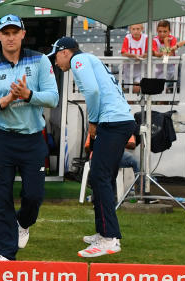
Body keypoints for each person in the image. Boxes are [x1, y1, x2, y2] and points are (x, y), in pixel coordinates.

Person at [0, 15, 59, 261]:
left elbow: (53, 98)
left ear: (23, 33)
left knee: (34, 195)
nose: (10, 37)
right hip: (2, 139)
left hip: (33, 139)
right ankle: (4, 252)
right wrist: (5, 101)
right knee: (1, 197)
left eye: (14, 32)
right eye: (5, 33)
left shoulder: (40, 60)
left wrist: (28, 94)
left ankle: (23, 222)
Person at [49, 37, 136, 257]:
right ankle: (103, 232)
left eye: (56, 57)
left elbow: (94, 93)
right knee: (101, 177)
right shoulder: (89, 59)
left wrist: (93, 121)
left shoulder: (78, 61)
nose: (56, 63)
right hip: (119, 120)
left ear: (66, 52)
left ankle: (109, 238)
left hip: (112, 122)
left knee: (100, 176)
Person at [120, 22, 148, 89]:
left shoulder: (145, 37)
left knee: (136, 88)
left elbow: (148, 52)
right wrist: (134, 56)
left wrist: (144, 55)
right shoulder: (127, 37)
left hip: (140, 69)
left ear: (142, 29)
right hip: (128, 69)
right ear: (130, 29)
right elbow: (123, 52)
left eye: (138, 29)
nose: (135, 31)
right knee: (128, 89)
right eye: (133, 29)